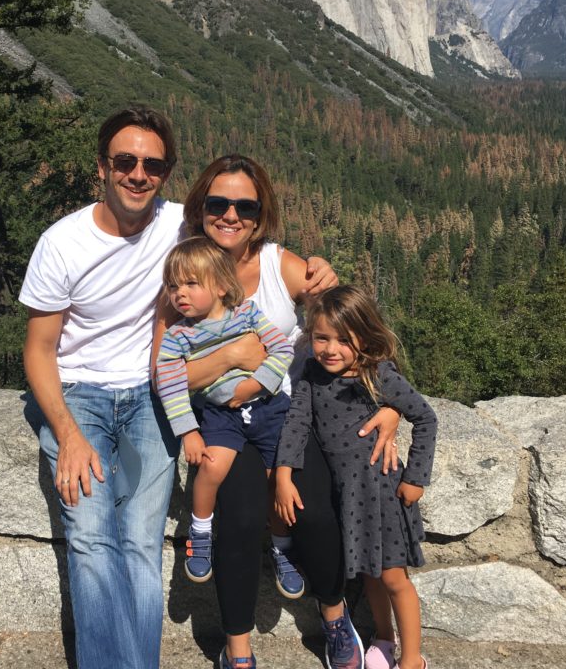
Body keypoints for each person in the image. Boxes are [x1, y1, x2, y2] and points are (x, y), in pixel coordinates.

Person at [20, 109, 335, 669]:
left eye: (152, 164)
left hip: (151, 405)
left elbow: (273, 265)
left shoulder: (182, 228)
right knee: (92, 539)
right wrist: (66, 432)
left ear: (165, 175)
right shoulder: (64, 242)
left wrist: (319, 268)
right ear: (103, 167)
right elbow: (39, 349)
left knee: (141, 544)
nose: (138, 174)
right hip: (85, 397)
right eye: (125, 161)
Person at [174, 155, 403, 669]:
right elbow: (164, 373)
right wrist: (233, 356)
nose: (230, 215)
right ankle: (238, 650)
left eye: (245, 206)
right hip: (225, 419)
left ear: (261, 213)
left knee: (315, 511)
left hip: (293, 416)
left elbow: (356, 327)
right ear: (200, 208)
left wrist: (388, 402)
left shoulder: (284, 266)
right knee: (240, 515)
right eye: (218, 203)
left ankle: (334, 619)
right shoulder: (187, 275)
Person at [275, 285, 437, 669]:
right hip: (346, 496)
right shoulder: (313, 376)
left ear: (365, 336)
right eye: (321, 338)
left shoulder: (378, 375)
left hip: (381, 492)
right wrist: (283, 475)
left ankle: (413, 659)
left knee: (394, 578)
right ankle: (384, 639)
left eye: (344, 340)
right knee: (369, 577)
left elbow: (426, 417)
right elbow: (297, 423)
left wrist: (416, 478)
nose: (331, 349)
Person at [155, 237, 297, 588]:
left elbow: (281, 349)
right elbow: (171, 384)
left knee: (273, 478)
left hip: (269, 406)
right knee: (212, 466)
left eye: (190, 283)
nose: (179, 294)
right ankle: (200, 532)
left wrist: (256, 384)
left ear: (220, 286)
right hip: (220, 414)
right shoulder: (177, 337)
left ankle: (283, 548)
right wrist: (188, 431)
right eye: (173, 286)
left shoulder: (247, 313)